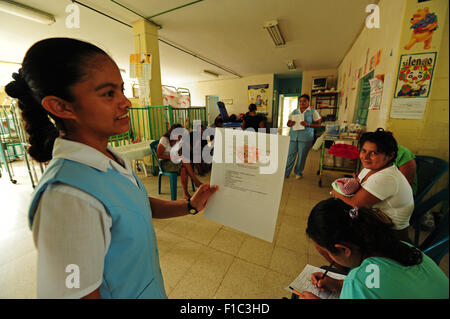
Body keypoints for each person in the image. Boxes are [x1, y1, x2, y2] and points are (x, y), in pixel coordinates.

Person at [5, 37, 218, 299]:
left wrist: (190, 206)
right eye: (108, 93)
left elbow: (135, 204)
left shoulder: (110, 159)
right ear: (60, 106)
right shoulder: (67, 198)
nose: (126, 102)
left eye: (121, 89)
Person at [299, 198, 449, 299]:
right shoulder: (404, 248)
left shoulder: (358, 281)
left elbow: (369, 283)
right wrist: (338, 284)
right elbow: (378, 283)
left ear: (344, 250)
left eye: (328, 253)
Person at [331, 128, 414, 242]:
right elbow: (357, 185)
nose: (365, 157)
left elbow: (356, 203)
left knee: (330, 233)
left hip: (390, 234)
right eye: (364, 151)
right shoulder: (371, 167)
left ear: (390, 156)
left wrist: (336, 192)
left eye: (374, 153)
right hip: (374, 219)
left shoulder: (387, 177)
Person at [157, 124, 203, 199]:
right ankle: (196, 182)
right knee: (185, 162)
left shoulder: (179, 140)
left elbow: (180, 152)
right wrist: (172, 157)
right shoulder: (164, 139)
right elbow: (159, 155)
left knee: (184, 169)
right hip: (165, 162)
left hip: (175, 161)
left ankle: (185, 193)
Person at [285, 94, 321, 179]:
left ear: (308, 102)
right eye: (300, 101)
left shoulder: (313, 111)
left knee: (302, 156)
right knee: (290, 155)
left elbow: (319, 124)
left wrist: (308, 124)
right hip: (293, 137)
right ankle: (286, 172)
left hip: (305, 138)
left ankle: (298, 172)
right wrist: (290, 123)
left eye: (304, 101)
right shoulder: (294, 111)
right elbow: (288, 123)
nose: (302, 103)